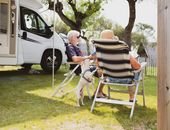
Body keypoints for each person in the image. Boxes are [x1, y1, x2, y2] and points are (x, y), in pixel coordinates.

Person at [94, 30, 141, 101]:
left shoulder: (100, 51)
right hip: (126, 80)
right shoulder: (121, 47)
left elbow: (98, 64)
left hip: (109, 79)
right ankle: (132, 97)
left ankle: (98, 92)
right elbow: (137, 66)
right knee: (134, 70)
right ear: (113, 38)